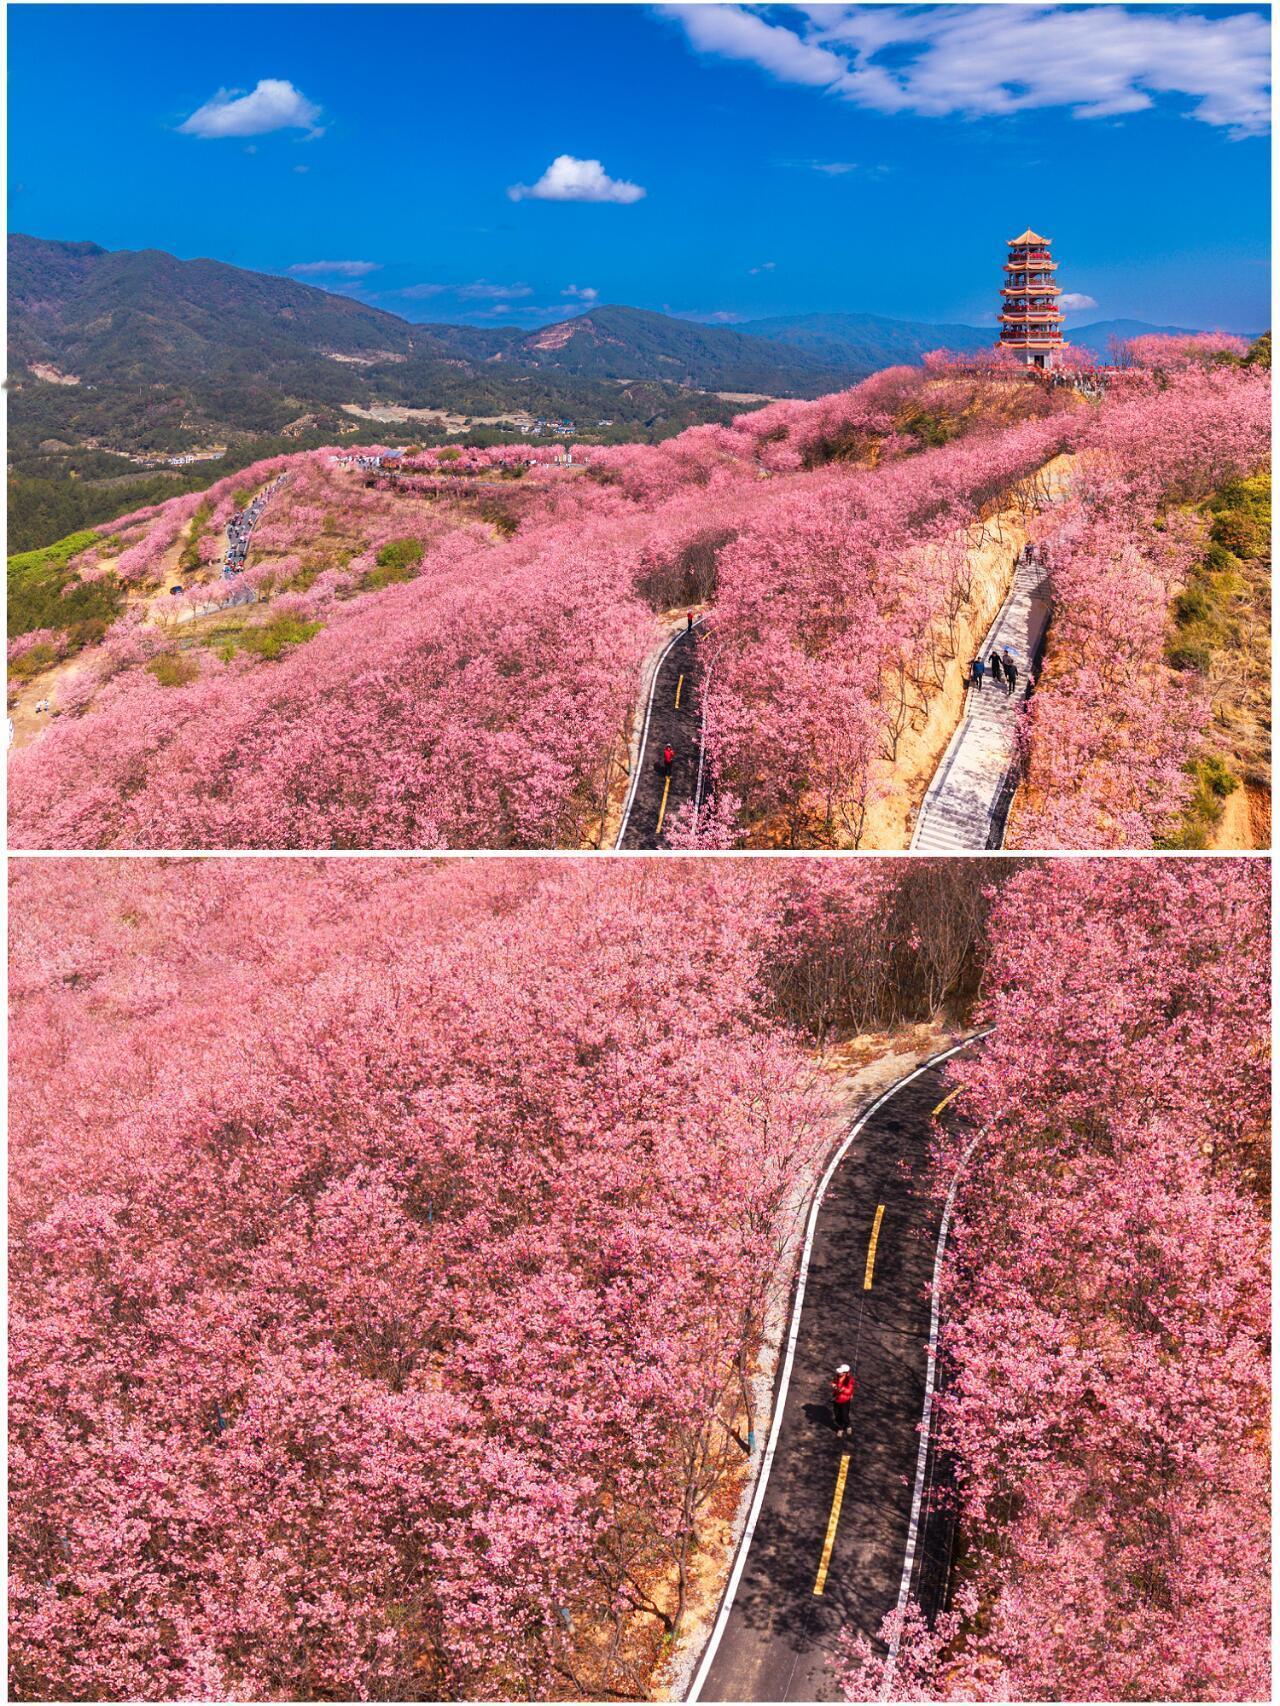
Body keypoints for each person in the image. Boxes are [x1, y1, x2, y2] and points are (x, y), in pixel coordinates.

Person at [832, 1364, 855, 1438]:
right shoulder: (837, 1377)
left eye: (841, 1372)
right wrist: (834, 1386)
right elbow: (833, 1383)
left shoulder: (850, 1380)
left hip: (845, 1401)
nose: (839, 1373)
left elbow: (849, 1391)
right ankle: (840, 1426)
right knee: (837, 1415)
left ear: (846, 1373)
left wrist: (843, 1390)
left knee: (844, 1415)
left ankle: (845, 1426)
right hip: (837, 1399)